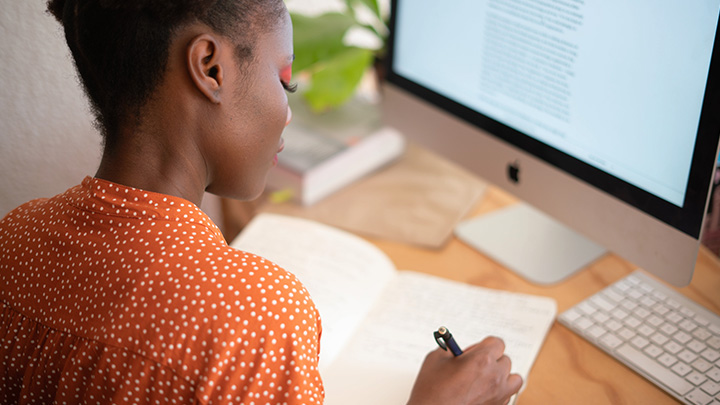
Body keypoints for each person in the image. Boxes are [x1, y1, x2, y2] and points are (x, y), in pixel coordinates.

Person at [0, 0, 522, 403]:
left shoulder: (14, 239)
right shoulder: (255, 318)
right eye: (285, 82)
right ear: (210, 66)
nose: (288, 114)